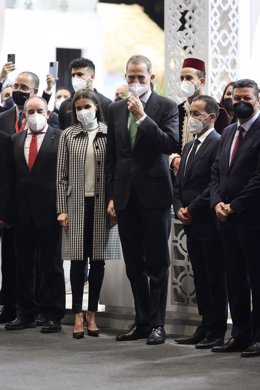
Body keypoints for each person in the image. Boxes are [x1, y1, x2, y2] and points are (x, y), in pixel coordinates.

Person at [106, 55, 179, 345]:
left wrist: (142, 117)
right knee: (134, 264)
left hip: (155, 194)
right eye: (131, 77)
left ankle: (158, 325)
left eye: (140, 77)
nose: (135, 83)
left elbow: (169, 143)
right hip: (125, 195)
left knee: (157, 263)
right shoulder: (114, 108)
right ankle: (142, 320)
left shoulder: (166, 106)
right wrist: (112, 193)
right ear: (125, 77)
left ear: (151, 77)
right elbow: (114, 154)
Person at [57, 89, 117, 339]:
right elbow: (61, 176)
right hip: (76, 205)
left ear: (96, 107)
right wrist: (61, 209)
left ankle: (92, 313)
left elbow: (116, 170)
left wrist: (114, 201)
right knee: (78, 261)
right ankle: (78, 315)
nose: (83, 111)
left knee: (99, 261)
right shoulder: (68, 135)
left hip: (102, 204)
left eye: (87, 106)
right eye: (78, 107)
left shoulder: (107, 133)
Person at [5, 96, 65, 332]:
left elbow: (65, 176)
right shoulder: (15, 139)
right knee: (23, 265)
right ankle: (26, 312)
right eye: (30, 111)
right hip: (22, 212)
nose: (35, 115)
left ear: (48, 112)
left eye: (39, 110)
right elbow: (10, 179)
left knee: (52, 265)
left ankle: (52, 313)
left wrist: (64, 209)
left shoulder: (60, 138)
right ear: (24, 114)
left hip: (50, 210)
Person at [210, 79, 260, 357]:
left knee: (257, 280)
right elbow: (217, 171)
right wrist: (217, 201)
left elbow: (258, 179)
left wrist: (234, 206)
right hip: (226, 220)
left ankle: (258, 336)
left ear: (258, 99)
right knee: (235, 279)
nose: (240, 102)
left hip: (252, 219)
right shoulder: (228, 131)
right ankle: (240, 333)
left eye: (246, 98)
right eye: (236, 97)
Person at [173, 95, 227, 349]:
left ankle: (216, 329)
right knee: (200, 277)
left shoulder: (218, 142)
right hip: (190, 221)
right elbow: (179, 183)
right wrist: (178, 207)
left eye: (196, 114)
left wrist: (192, 208)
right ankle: (205, 325)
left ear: (211, 117)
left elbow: (213, 184)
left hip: (207, 220)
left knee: (214, 276)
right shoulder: (188, 146)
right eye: (190, 113)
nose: (191, 118)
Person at [170, 57, 229, 175]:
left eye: (189, 78)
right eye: (182, 78)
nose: (184, 82)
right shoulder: (176, 110)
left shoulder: (218, 111)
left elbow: (221, 149)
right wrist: (174, 160)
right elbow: (170, 144)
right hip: (178, 175)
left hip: (206, 176)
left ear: (201, 82)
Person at [58, 58, 112, 129]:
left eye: (80, 74)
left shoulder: (106, 103)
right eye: (73, 75)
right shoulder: (65, 105)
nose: (75, 78)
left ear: (92, 77)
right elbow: (62, 131)